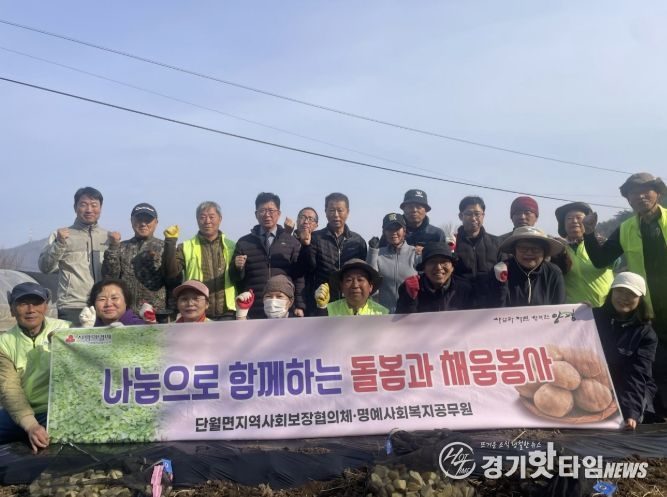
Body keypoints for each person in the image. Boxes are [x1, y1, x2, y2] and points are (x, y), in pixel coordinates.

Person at [583, 172, 667, 419]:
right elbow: (601, 260)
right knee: (655, 368)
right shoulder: (626, 229)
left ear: (658, 193)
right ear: (628, 199)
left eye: (646, 190)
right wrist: (589, 233)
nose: (640, 196)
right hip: (648, 312)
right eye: (633, 193)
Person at [0, 283, 70, 451]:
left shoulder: (65, 329)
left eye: (37, 303)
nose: (31, 310)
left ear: (46, 307)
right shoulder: (4, 342)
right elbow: (9, 388)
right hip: (21, 412)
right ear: (12, 309)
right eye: (23, 304)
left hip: (57, 411)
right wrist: (31, 425)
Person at [593, 272, 658, 429]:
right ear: (611, 293)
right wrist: (576, 312)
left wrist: (631, 412)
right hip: (598, 384)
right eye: (619, 291)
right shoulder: (592, 317)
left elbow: (637, 374)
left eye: (631, 294)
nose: (623, 297)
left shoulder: (646, 334)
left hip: (630, 387)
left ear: (640, 299)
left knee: (629, 417)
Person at [38, 186, 109, 325]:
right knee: (73, 340)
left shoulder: (108, 238)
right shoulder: (61, 235)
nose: (89, 209)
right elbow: (45, 267)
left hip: (104, 305)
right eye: (83, 204)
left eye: (94, 205)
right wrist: (59, 243)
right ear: (75, 207)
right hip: (72, 305)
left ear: (100, 208)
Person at [230, 193, 304, 319]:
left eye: (271, 210)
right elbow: (235, 279)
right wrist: (237, 268)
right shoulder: (244, 242)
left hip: (283, 307)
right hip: (254, 308)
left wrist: (300, 305)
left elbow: (299, 277)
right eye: (262, 211)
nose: (267, 215)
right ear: (256, 214)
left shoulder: (292, 242)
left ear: (279, 213)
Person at [163, 201, 237, 320]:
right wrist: (170, 242)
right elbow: (171, 273)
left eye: (211, 217)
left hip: (228, 313)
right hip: (197, 312)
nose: (207, 221)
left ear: (220, 219)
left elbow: (239, 277)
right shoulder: (185, 246)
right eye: (202, 217)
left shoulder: (232, 246)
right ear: (197, 220)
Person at [298, 193, 367, 314]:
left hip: (350, 304)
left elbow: (364, 274)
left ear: (347, 212)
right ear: (325, 212)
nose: (335, 215)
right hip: (322, 304)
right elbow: (306, 269)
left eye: (340, 210)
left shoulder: (358, 241)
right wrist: (305, 246)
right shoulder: (315, 238)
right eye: (331, 210)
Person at [102, 203, 168, 315]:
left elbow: (173, 282)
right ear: (131, 221)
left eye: (148, 220)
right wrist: (113, 247)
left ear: (156, 222)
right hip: (126, 313)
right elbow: (109, 278)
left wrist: (172, 311)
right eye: (139, 219)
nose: (143, 223)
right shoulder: (120, 247)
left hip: (157, 314)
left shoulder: (165, 247)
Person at [490, 226, 566, 307]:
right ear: (514, 251)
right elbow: (493, 306)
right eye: (523, 248)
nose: (529, 253)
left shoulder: (553, 272)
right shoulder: (500, 271)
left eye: (536, 249)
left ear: (544, 252)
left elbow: (560, 308)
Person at [554, 202, 612, 307]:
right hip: (573, 312)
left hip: (604, 309)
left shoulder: (600, 243)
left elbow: (616, 262)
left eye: (579, 218)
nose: (574, 221)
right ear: (563, 225)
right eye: (569, 218)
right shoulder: (557, 249)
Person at [396, 242, 473, 313]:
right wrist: (411, 300)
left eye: (444, 262)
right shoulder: (410, 288)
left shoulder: (465, 289)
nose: (438, 267)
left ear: (452, 267)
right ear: (424, 268)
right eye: (432, 262)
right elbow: (402, 320)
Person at [367, 213, 419, 313]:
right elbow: (371, 281)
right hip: (384, 314)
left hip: (410, 314)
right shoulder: (377, 253)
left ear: (404, 231)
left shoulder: (415, 253)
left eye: (397, 228)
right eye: (389, 229)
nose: (393, 232)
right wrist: (372, 251)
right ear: (384, 232)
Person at [454, 196, 500, 304]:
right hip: (459, 303)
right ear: (460, 216)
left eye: (477, 214)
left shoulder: (497, 243)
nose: (473, 218)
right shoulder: (452, 244)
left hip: (490, 303)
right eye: (468, 214)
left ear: (483, 216)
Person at [314, 259, 388, 316]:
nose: (355, 285)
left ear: (370, 287)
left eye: (360, 279)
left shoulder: (382, 313)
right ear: (341, 286)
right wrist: (321, 307)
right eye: (349, 280)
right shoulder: (328, 310)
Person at [380, 189, 445, 251]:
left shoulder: (436, 234)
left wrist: (427, 251)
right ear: (403, 209)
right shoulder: (391, 232)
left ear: (426, 210)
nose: (414, 210)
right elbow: (380, 254)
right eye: (410, 207)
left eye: (419, 207)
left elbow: (443, 257)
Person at [80, 279, 144, 327]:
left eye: (114, 298)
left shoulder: (141, 327)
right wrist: (86, 332)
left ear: (126, 301)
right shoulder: (88, 326)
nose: (108, 304)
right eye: (102, 299)